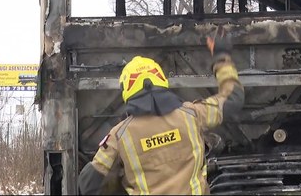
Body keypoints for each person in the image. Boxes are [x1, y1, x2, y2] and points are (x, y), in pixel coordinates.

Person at [78, 29, 244, 195]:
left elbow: (88, 185)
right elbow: (233, 98)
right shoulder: (192, 115)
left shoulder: (119, 136)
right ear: (161, 80)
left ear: (126, 88)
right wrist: (222, 57)